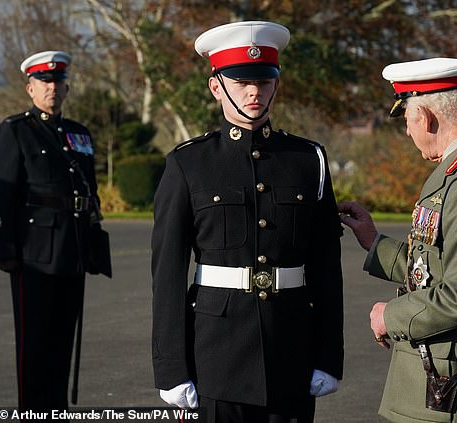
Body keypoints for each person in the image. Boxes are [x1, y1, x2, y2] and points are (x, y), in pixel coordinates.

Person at [151, 21, 344, 422]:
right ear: (216, 86)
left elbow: (326, 268)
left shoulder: (309, 160)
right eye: (240, 82)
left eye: (263, 80)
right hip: (216, 357)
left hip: (290, 349)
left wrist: (329, 356)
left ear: (277, 84)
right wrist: (171, 368)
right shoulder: (188, 164)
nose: (254, 91)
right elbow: (167, 275)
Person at [338, 58, 457, 422]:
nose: (408, 132)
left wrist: (388, 316)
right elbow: (437, 263)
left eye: (407, 121)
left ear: (425, 117)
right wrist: (374, 242)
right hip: (454, 379)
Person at [0, 51, 109, 415]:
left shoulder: (79, 133)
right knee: (35, 344)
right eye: (44, 81)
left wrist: (92, 242)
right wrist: (5, 248)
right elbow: (0, 197)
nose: (52, 88)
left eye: (58, 82)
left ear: (67, 88)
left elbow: (89, 192)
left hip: (72, 250)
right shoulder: (14, 131)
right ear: (30, 88)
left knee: (63, 341)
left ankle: (56, 411)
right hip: (34, 254)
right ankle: (33, 412)